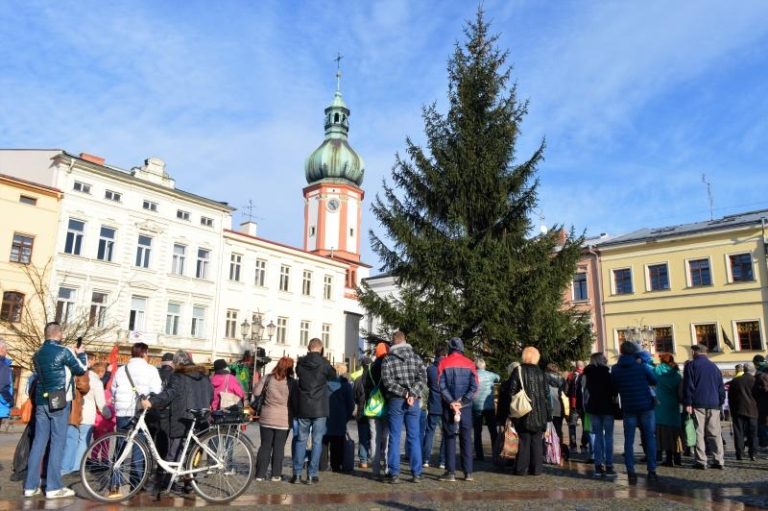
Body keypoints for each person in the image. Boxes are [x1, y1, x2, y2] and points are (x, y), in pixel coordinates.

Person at [23, 322, 87, 499]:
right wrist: (81, 354)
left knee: (38, 442)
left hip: (41, 399)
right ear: (59, 334)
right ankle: (53, 487)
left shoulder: (37, 354)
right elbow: (80, 370)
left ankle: (30, 486)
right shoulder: (63, 351)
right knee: (58, 442)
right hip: (58, 397)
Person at [143, 351, 213, 475]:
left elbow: (169, 393)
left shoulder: (179, 376)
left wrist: (152, 401)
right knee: (194, 452)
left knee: (174, 454)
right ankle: (190, 483)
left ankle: (168, 482)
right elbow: (211, 396)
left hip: (183, 420)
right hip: (201, 419)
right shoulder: (204, 376)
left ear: (177, 363)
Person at [381, 330, 427, 484]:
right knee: (414, 436)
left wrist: (404, 393)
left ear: (393, 342)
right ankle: (417, 473)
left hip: (396, 400)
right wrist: (412, 393)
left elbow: (387, 382)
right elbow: (423, 379)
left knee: (394, 436)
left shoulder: (388, 360)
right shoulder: (416, 358)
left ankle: (394, 473)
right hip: (413, 401)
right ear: (405, 340)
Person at [611, 341, 657, 484]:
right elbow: (655, 380)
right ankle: (652, 470)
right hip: (645, 406)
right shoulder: (641, 366)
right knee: (649, 438)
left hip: (629, 407)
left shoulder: (616, 369)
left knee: (628, 440)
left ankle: (631, 471)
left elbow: (614, 389)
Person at [292, 338, 335, 485]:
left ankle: (297, 474)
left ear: (308, 347)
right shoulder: (324, 363)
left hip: (303, 407)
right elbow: (333, 377)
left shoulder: (301, 363)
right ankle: (312, 474)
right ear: (321, 348)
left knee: (301, 440)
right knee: (317, 442)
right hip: (320, 408)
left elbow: (298, 375)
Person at [436, 337, 478, 482]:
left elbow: (441, 386)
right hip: (465, 407)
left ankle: (451, 472)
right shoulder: (470, 364)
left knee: (450, 437)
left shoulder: (443, 363)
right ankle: (468, 472)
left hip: (449, 406)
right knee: (466, 437)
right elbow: (474, 387)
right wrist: (463, 401)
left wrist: (452, 402)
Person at [62, 361, 111, 475]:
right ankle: (77, 467)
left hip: (73, 414)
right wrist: (109, 415)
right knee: (83, 441)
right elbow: (101, 404)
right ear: (100, 371)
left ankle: (65, 467)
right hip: (87, 416)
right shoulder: (96, 382)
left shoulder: (79, 376)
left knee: (71, 442)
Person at [508, 347, 551, 476]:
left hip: (523, 412)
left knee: (524, 441)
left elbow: (511, 391)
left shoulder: (518, 370)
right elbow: (546, 395)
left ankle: (521, 469)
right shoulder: (541, 373)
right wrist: (548, 417)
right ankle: (536, 469)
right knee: (537, 441)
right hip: (539, 413)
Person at [682, 344, 725, 470]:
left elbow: (688, 386)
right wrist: (719, 402)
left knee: (698, 432)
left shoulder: (691, 365)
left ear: (695, 352)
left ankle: (701, 461)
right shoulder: (714, 367)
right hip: (714, 404)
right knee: (715, 433)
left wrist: (688, 403)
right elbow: (721, 388)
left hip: (697, 403)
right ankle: (718, 460)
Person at [254, 357, 295, 481]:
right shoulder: (292, 382)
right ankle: (276, 475)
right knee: (279, 447)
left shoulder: (267, 378)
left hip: (267, 418)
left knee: (265, 446)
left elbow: (256, 393)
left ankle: (260, 475)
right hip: (284, 419)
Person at [112, 343, 162, 434]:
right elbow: (157, 391)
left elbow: (113, 390)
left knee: (121, 442)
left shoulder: (121, 370)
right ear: (144, 354)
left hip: (122, 411)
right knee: (139, 442)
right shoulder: (151, 369)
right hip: (140, 411)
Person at [582, 352, 617, 478]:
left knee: (597, 436)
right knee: (608, 437)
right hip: (607, 408)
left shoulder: (586, 374)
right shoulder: (606, 373)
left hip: (593, 408)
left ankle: (598, 466)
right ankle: (609, 466)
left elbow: (584, 392)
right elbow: (613, 390)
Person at [364, 341, 390, 480]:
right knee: (387, 438)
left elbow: (366, 388)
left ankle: (375, 470)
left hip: (373, 408)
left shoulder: (370, 368)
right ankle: (387, 468)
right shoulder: (389, 366)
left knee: (375, 438)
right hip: (386, 407)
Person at [60, 366, 91, 475]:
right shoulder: (78, 366)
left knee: (58, 440)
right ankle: (65, 469)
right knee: (71, 439)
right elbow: (84, 387)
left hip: (57, 405)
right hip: (72, 409)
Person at [324, 363, 354, 472]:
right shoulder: (346, 385)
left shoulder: (325, 384)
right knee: (338, 444)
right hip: (340, 419)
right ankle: (336, 465)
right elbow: (350, 404)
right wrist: (346, 416)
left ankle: (322, 465)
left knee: (324, 442)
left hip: (325, 417)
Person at [655, 353, 682, 467]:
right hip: (674, 406)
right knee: (676, 433)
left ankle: (668, 459)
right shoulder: (677, 374)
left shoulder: (657, 371)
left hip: (661, 407)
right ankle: (678, 458)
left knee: (664, 434)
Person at [422, 345, 447, 469]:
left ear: (436, 355)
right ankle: (442, 461)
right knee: (445, 434)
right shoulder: (448, 368)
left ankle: (426, 459)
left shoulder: (430, 369)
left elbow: (428, 384)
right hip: (446, 404)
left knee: (429, 433)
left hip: (433, 404)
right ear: (445, 355)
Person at [728, 362, 759, 461]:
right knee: (753, 433)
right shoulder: (755, 380)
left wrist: (732, 411)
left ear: (744, 370)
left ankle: (739, 453)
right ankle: (753, 453)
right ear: (752, 370)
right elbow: (758, 396)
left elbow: (730, 398)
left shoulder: (735, 381)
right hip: (753, 410)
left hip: (738, 410)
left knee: (738, 433)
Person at [472, 358, 499, 462]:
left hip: (476, 406)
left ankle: (479, 455)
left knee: (477, 432)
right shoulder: (491, 375)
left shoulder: (473, 374)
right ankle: (495, 453)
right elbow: (498, 378)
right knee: (493, 431)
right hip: (489, 407)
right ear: (484, 365)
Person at [565, 361, 589, 455]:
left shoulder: (571, 375)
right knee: (586, 426)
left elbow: (566, 390)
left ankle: (573, 446)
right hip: (585, 405)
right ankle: (584, 446)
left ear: (576, 366)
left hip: (574, 404)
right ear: (583, 366)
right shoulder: (587, 375)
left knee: (572, 426)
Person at [545, 363, 567, 459]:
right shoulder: (562, 379)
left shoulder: (544, 377)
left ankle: (548, 450)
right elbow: (565, 392)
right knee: (558, 429)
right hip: (559, 406)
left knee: (547, 430)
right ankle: (558, 449)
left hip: (548, 407)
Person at [353, 356, 371, 468]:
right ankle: (375, 458)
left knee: (363, 436)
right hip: (374, 411)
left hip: (361, 410)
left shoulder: (357, 379)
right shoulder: (374, 378)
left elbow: (354, 396)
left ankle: (363, 460)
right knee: (374, 436)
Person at [754, 354, 768, 448]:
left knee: (763, 423)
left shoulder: (759, 373)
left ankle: (764, 442)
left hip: (763, 402)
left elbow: (757, 390)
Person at [0, 340, 12, 431]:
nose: (6, 351)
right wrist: (9, 401)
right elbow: (3, 386)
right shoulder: (3, 365)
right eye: (5, 349)